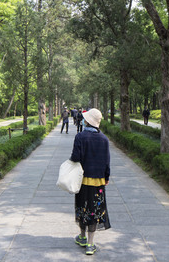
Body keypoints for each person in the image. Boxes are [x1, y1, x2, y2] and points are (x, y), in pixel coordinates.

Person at [69, 108, 111, 255]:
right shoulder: (104, 139)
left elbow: (75, 158)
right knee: (95, 210)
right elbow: (106, 162)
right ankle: (90, 244)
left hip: (83, 181)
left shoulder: (80, 137)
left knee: (83, 207)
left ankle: (81, 237)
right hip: (98, 182)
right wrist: (106, 177)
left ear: (87, 121)